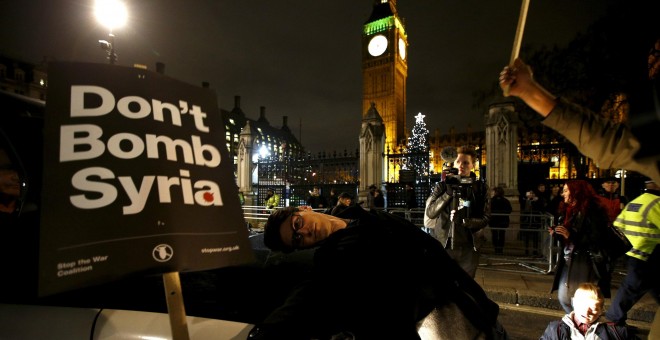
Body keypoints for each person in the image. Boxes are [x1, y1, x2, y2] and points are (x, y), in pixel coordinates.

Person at [500, 37, 660, 340]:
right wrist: (530, 90)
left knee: (586, 305)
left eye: (657, 55)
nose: (652, 63)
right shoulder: (570, 207)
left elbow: (603, 238)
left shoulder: (594, 208)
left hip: (589, 267)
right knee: (570, 304)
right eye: (651, 52)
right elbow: (605, 141)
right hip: (578, 264)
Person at [251, 205, 507, 339]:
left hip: (475, 303)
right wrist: (266, 332)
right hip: (448, 326)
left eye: (298, 224)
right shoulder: (332, 258)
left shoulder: (362, 215)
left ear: (304, 209)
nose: (304, 233)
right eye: (297, 239)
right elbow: (308, 296)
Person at [424, 146, 490, 278]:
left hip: (469, 247)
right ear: (453, 163)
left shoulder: (480, 188)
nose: (461, 165)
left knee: (466, 288)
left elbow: (486, 218)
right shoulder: (442, 186)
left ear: (472, 165)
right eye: (458, 162)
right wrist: (447, 194)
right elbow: (431, 212)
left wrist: (466, 221)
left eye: (466, 162)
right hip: (443, 244)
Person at [550, 180, 612, 313]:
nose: (563, 194)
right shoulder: (568, 211)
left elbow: (596, 239)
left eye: (566, 191)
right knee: (565, 297)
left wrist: (570, 235)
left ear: (576, 192)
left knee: (573, 298)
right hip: (569, 259)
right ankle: (581, 324)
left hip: (585, 261)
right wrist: (557, 233)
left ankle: (583, 324)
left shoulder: (593, 212)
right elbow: (568, 235)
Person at [604, 179, 660, 325]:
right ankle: (613, 320)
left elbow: (618, 225)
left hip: (633, 252)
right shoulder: (657, 203)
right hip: (649, 253)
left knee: (638, 286)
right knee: (631, 287)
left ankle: (615, 319)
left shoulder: (636, 202)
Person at [540, 282, 634, 339]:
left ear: (601, 311)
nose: (586, 312)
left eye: (593, 309)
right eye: (582, 306)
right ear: (574, 303)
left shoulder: (615, 331)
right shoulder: (555, 329)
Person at [489, 186, 512, 255]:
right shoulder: (505, 200)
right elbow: (509, 210)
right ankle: (500, 249)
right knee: (502, 234)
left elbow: (488, 210)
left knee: (494, 234)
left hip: (494, 220)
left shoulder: (492, 200)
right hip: (503, 220)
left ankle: (496, 248)